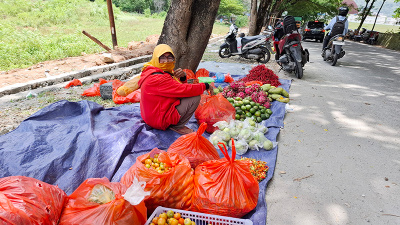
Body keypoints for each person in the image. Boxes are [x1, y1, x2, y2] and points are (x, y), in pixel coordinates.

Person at [137, 44, 214, 135]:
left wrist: (182, 77)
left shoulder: (153, 70)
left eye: (170, 57)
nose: (166, 61)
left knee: (190, 92)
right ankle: (177, 126)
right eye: (162, 57)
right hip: (158, 120)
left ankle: (174, 122)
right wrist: (205, 86)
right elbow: (183, 90)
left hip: (152, 116)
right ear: (156, 58)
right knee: (195, 97)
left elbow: (177, 87)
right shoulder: (158, 78)